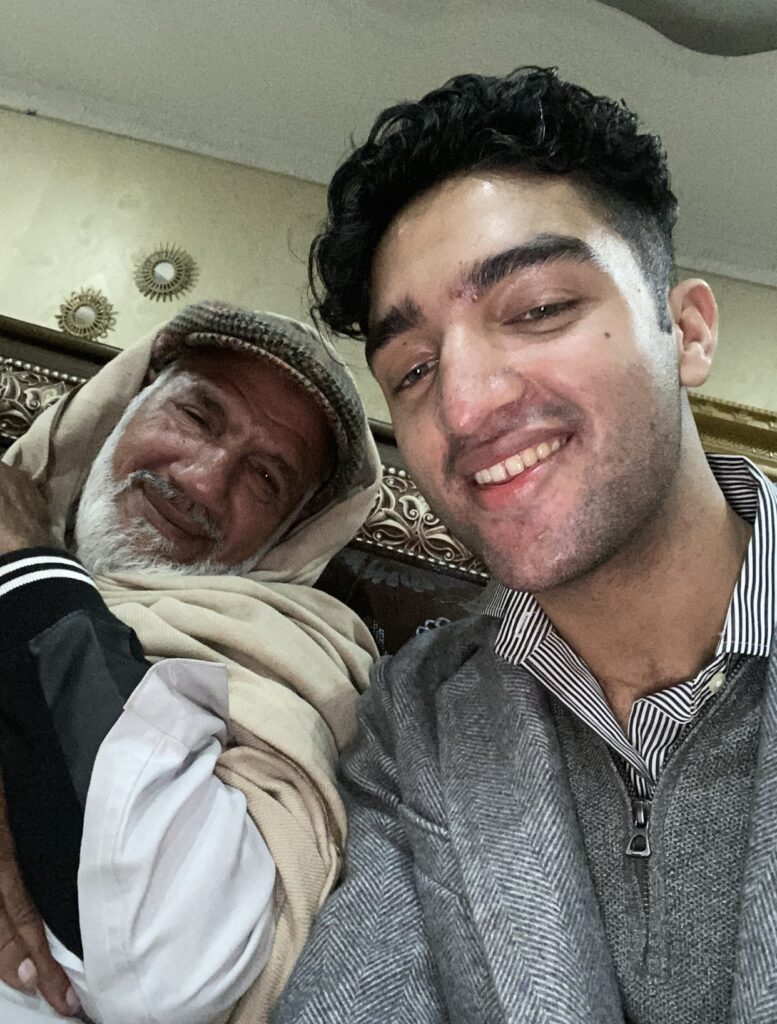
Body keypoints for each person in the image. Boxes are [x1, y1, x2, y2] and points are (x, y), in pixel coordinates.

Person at [275, 67, 777, 1024]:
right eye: (412, 369)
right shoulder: (411, 721)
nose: (463, 406)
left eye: (539, 308)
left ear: (686, 330)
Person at [0, 299, 381, 1023]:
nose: (205, 480)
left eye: (266, 479)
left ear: (286, 542)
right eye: (197, 417)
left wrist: (21, 563)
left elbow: (161, 963)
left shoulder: (290, 665)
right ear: (121, 409)